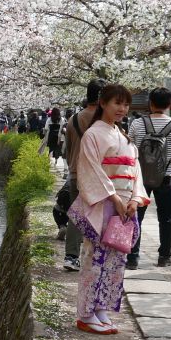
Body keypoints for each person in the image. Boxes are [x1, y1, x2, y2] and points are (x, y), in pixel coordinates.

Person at [69, 83, 149, 334]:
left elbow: (135, 171)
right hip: (105, 202)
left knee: (116, 260)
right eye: (117, 103)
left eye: (126, 104)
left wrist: (135, 199)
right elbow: (90, 170)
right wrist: (114, 198)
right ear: (102, 103)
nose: (122, 109)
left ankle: (102, 308)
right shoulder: (94, 134)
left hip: (125, 205)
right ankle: (85, 314)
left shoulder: (122, 134)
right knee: (96, 257)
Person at [127, 87, 171, 269]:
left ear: (150, 103)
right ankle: (164, 256)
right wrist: (167, 160)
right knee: (166, 218)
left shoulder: (137, 124)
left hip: (141, 178)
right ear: (170, 104)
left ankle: (132, 258)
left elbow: (130, 150)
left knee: (136, 216)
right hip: (166, 177)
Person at [61, 79, 105, 272]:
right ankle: (96, 256)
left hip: (75, 174)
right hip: (98, 175)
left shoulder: (73, 119)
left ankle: (71, 256)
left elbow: (67, 149)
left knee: (76, 215)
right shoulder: (105, 121)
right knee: (100, 215)